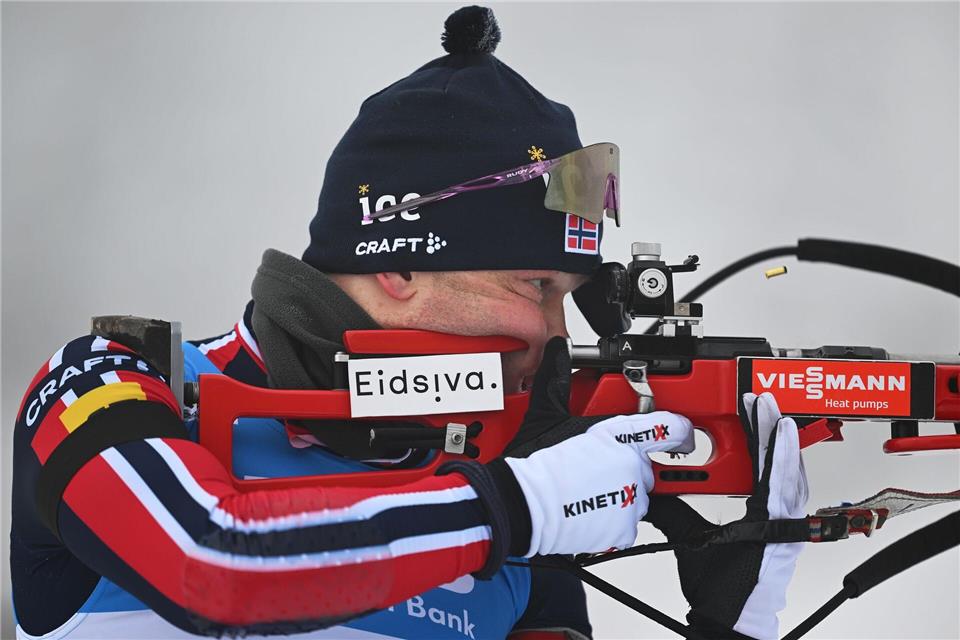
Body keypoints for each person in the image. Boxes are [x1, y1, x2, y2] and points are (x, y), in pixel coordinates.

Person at [10, 6, 806, 640]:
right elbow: (210, 563)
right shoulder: (117, 377)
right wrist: (516, 507)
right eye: (535, 284)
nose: (557, 334)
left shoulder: (510, 464)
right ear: (397, 265)